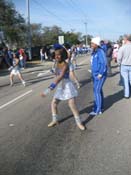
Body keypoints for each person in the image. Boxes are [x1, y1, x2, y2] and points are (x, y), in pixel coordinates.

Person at [41, 48, 85, 130]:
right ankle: (55, 120)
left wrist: (47, 90)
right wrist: (54, 71)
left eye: (59, 55)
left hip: (67, 85)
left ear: (62, 55)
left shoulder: (65, 65)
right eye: (56, 55)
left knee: (72, 105)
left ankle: (79, 123)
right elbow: (57, 74)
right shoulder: (57, 63)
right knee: (54, 103)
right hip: (61, 86)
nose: (57, 56)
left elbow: (60, 77)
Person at [89, 37, 107, 116]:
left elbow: (104, 63)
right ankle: (100, 106)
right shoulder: (94, 52)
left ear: (96, 44)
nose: (91, 44)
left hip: (99, 75)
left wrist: (100, 74)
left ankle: (98, 110)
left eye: (92, 43)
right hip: (94, 74)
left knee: (96, 91)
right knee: (98, 90)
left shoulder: (100, 51)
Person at [117, 34, 131, 99]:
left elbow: (119, 58)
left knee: (125, 80)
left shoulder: (122, 48)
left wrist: (119, 64)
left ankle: (127, 94)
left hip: (124, 65)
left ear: (126, 39)